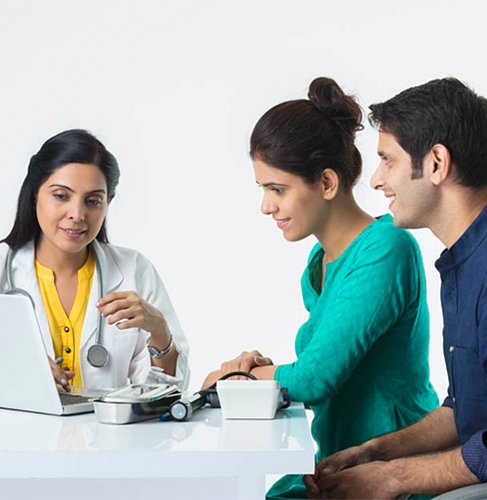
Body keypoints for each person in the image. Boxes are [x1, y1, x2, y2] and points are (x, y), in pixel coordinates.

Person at [202, 77, 438, 499]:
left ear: (327, 183)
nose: (266, 205)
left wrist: (241, 377)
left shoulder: (385, 249)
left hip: (390, 476)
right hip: (334, 466)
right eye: (263, 189)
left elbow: (315, 378)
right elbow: (322, 366)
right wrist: (263, 373)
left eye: (277, 189)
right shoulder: (318, 264)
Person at [306, 77, 487, 499]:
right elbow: (465, 410)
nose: (376, 180)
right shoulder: (464, 260)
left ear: (436, 164)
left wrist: (392, 478)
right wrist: (376, 452)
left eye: (387, 160)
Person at [0, 129, 189, 391]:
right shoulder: (4, 267)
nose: (77, 214)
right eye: (61, 196)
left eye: (93, 201)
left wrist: (159, 331)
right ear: (34, 195)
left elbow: (164, 394)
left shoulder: (134, 270)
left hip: (107, 420)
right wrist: (16, 372)